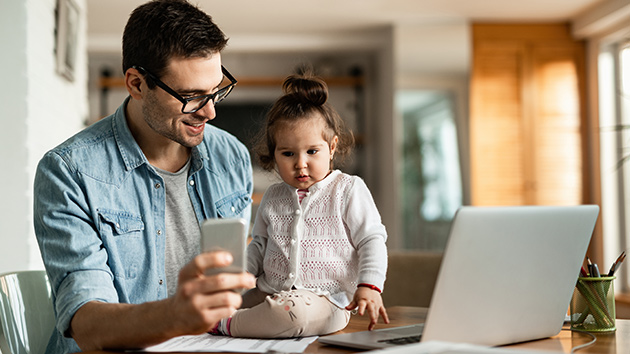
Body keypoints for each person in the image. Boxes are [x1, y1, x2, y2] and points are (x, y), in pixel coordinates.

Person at [33, 1, 255, 353]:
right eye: (191, 97)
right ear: (137, 84)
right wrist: (175, 315)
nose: (210, 111)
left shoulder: (232, 157)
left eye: (215, 91)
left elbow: (233, 287)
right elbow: (87, 324)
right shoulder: (68, 171)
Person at [210, 73, 390, 338]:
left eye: (312, 151)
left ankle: (226, 325)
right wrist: (236, 281)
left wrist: (369, 286)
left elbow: (371, 239)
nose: (300, 163)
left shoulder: (348, 189)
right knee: (215, 305)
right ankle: (229, 318)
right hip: (267, 292)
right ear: (273, 154)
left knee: (291, 314)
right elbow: (259, 246)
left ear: (332, 147)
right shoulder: (273, 196)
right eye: (288, 153)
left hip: (327, 301)